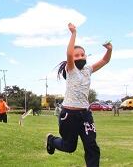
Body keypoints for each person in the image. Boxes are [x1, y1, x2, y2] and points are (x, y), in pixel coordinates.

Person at [46, 23, 112, 167]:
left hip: (85, 114)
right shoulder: (71, 70)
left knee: (91, 146)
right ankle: (51, 140)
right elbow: (69, 54)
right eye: (77, 55)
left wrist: (109, 50)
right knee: (70, 147)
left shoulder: (88, 69)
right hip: (69, 115)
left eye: (83, 54)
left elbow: (105, 61)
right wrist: (73, 33)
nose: (80, 56)